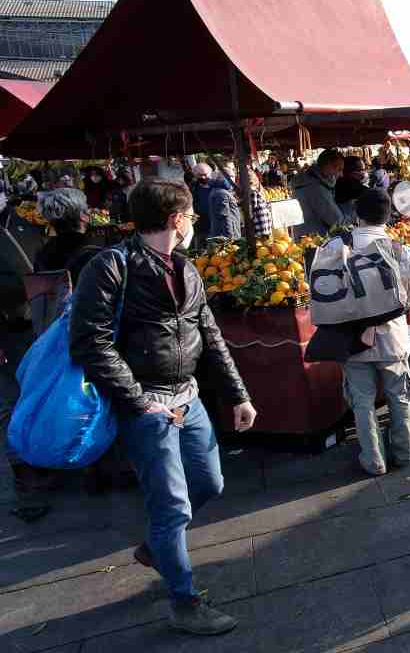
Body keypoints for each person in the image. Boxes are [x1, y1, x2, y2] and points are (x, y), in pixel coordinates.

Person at [69, 180, 258, 636]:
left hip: (188, 399)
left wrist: (238, 394)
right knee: (172, 505)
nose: (194, 223)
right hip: (146, 407)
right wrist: (138, 402)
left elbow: (209, 336)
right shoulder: (111, 266)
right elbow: (89, 341)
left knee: (209, 482)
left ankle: (157, 546)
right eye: (191, 215)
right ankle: (184, 601)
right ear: (177, 219)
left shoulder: (186, 268)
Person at [329, 189, 410, 476]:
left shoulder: (337, 248)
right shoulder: (398, 249)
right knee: (400, 396)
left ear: (357, 216)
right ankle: (404, 452)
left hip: (353, 339)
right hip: (392, 337)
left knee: (362, 403)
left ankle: (373, 460)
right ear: (388, 217)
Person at [33, 188, 99, 278]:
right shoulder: (92, 250)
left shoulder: (43, 252)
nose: (90, 211)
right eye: (87, 208)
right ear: (82, 216)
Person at [293, 148, 346, 237]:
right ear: (328, 166)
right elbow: (336, 220)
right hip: (315, 241)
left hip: (305, 237)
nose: (341, 174)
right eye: (339, 169)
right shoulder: (315, 187)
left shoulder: (309, 181)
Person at [189, 163, 230, 243]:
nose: (203, 177)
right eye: (199, 175)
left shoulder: (221, 184)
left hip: (219, 222)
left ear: (210, 172)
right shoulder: (194, 187)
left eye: (205, 174)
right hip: (202, 224)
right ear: (195, 175)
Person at [207, 166, 242, 240]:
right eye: (232, 176)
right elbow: (224, 216)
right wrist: (230, 237)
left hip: (228, 232)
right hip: (228, 235)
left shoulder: (220, 191)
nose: (234, 179)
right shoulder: (221, 193)